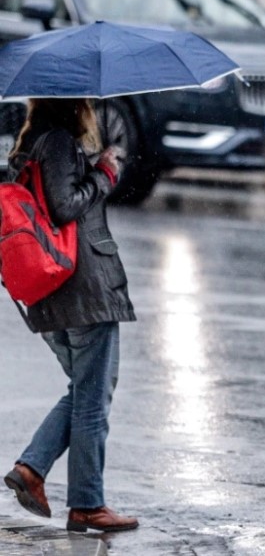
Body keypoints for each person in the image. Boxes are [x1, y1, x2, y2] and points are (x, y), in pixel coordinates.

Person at [3, 98, 138, 533]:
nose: (93, 110)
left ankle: (32, 469)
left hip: (54, 293)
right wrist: (105, 173)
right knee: (93, 397)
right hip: (82, 288)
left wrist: (93, 167)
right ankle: (86, 504)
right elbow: (65, 206)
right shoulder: (58, 143)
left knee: (84, 390)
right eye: (88, 103)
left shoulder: (28, 147)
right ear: (74, 106)